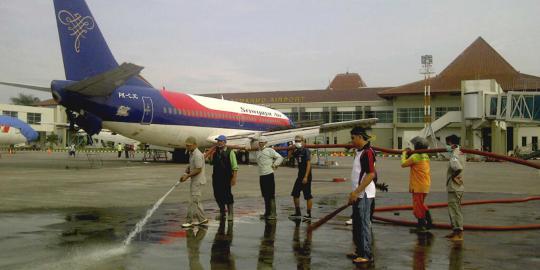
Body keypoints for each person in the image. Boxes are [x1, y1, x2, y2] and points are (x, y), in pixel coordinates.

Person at [347, 127, 377, 264]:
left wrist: (357, 191)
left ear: (359, 137)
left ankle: (366, 254)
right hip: (358, 194)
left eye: (353, 138)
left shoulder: (367, 153)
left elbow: (371, 174)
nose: (352, 141)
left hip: (364, 194)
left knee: (364, 224)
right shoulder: (359, 152)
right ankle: (359, 250)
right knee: (357, 224)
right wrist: (353, 192)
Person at [401, 136, 432, 233]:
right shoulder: (426, 156)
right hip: (425, 184)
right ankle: (428, 222)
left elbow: (403, 164)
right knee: (421, 204)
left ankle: (422, 226)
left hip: (418, 185)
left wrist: (404, 153)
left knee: (418, 206)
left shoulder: (415, 157)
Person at [179, 136, 208, 228]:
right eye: (186, 145)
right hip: (195, 181)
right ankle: (202, 219)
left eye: (189, 145)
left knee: (192, 202)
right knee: (196, 201)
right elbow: (190, 166)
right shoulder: (191, 153)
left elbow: (198, 169)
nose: (187, 147)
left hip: (198, 182)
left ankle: (189, 221)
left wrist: (187, 176)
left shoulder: (197, 155)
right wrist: (185, 173)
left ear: (195, 145)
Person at [209, 135, 238, 222]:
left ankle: (230, 214)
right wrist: (211, 153)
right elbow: (211, 163)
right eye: (218, 141)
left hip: (226, 177)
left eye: (221, 141)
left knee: (227, 195)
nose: (219, 142)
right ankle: (222, 213)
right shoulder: (216, 152)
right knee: (217, 195)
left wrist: (234, 178)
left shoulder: (230, 152)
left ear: (225, 142)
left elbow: (235, 167)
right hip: (216, 177)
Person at [256, 137, 283, 220]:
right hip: (262, 175)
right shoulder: (258, 152)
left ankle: (273, 214)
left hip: (269, 174)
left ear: (266, 142)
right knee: (265, 195)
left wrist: (274, 165)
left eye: (262, 142)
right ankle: (267, 213)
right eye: (260, 142)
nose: (261, 144)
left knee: (270, 195)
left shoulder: (269, 150)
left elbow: (280, 157)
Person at [445, 134, 465, 241]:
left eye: (448, 143)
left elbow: (456, 167)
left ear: (451, 143)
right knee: (454, 209)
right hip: (457, 186)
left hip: (454, 187)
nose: (447, 146)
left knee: (455, 210)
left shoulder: (455, 154)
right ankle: (455, 232)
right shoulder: (459, 152)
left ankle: (458, 233)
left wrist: (452, 176)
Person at [289, 135, 313, 220]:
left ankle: (308, 213)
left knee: (307, 195)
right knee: (295, 193)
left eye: (299, 141)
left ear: (303, 141)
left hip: (306, 175)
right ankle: (297, 212)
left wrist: (306, 176)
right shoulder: (297, 151)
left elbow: (308, 164)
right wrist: (291, 148)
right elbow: (290, 156)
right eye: (296, 141)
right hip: (300, 175)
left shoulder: (306, 151)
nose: (297, 142)